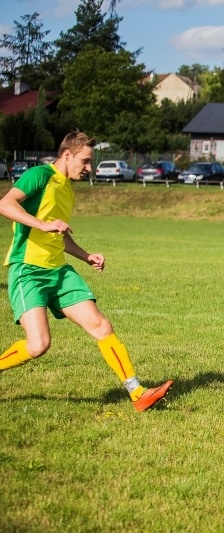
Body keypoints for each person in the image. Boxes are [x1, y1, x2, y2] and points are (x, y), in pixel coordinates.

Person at [0, 130, 173, 412]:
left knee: (101, 327)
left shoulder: (66, 189)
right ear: (67, 155)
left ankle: (138, 392)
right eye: (85, 161)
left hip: (59, 271)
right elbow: (5, 203)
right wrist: (41, 224)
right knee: (39, 345)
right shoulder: (39, 175)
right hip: (27, 270)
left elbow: (60, 234)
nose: (89, 168)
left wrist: (85, 255)